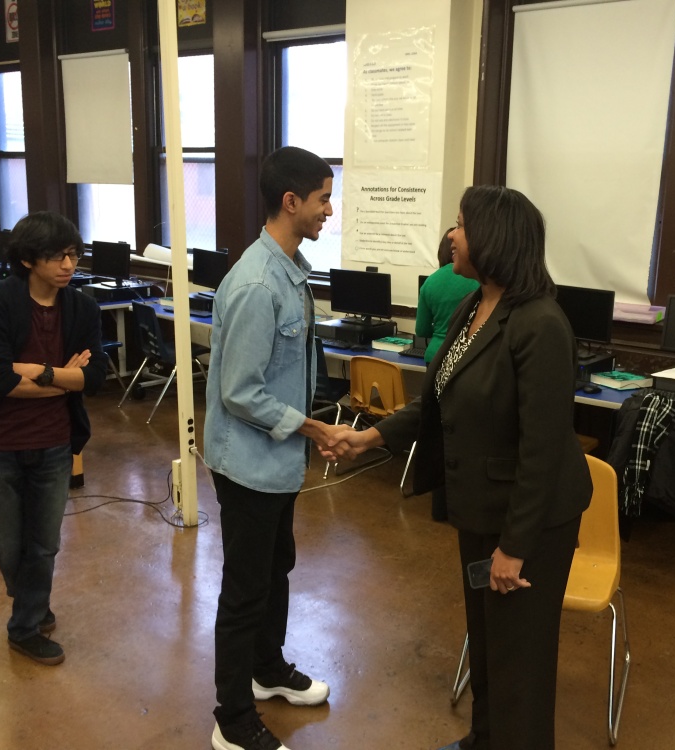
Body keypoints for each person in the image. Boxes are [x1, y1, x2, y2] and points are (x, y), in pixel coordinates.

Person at [325, 185, 593, 750]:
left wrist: (514, 547)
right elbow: (440, 396)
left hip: (530, 523)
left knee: (520, 659)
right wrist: (370, 436)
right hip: (479, 508)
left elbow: (543, 450)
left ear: (494, 238)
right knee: (488, 640)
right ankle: (484, 738)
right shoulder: (476, 304)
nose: (452, 236)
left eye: (462, 225)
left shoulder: (540, 324)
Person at [204, 146, 351, 750]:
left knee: (276, 568)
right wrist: (314, 429)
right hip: (247, 466)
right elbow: (240, 392)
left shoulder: (290, 272)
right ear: (290, 202)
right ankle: (232, 719)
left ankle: (266, 670)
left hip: (277, 463)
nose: (328, 210)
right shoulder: (258, 284)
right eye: (322, 199)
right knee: (245, 590)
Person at [0, 212, 106, 666]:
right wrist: (64, 377)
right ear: (28, 260)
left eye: (73, 255)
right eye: (57, 256)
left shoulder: (82, 308)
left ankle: (23, 627)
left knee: (44, 543)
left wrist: (40, 372)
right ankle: (33, 602)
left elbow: (95, 377)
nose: (69, 265)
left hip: (54, 442)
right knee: (9, 545)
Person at [414, 228, 480, 521]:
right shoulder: (476, 283)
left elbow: (421, 330)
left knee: (438, 430)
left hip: (435, 358)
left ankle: (439, 504)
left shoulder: (431, 282)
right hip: (467, 359)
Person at [415, 227, 479, 364]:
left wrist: (440, 330)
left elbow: (421, 330)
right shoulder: (477, 279)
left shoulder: (430, 282)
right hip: (465, 356)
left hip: (435, 355)